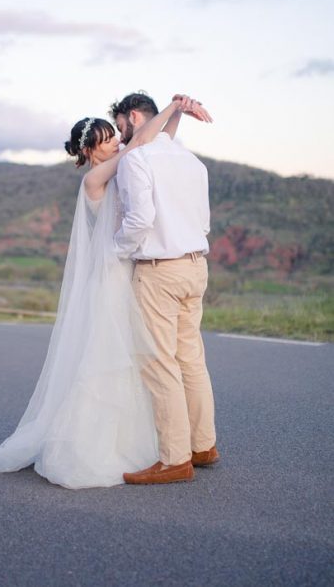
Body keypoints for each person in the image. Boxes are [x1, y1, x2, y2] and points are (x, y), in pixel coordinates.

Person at [0, 94, 212, 489]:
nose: (116, 143)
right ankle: (178, 446)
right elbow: (148, 143)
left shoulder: (130, 158)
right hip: (118, 272)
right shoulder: (95, 178)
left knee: (157, 359)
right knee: (138, 359)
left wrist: (173, 116)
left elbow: (153, 143)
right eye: (107, 139)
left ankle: (181, 448)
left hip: (139, 269)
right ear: (91, 149)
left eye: (115, 135)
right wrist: (174, 109)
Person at [111, 93, 218, 485]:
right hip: (196, 266)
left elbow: (139, 219)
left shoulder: (137, 159)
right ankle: (203, 445)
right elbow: (203, 221)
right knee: (190, 358)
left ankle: (174, 459)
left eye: (122, 125)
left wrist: (114, 252)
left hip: (159, 270)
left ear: (134, 117)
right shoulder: (192, 161)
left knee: (159, 363)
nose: (121, 134)